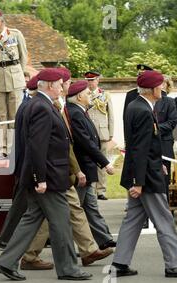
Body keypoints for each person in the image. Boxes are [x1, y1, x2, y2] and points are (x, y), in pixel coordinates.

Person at [0, 69, 92, 281]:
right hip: (48, 176)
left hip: (41, 175)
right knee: (61, 222)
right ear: (49, 86)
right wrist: (41, 178)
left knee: (31, 220)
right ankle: (68, 268)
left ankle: (6, 262)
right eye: (59, 84)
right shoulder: (42, 107)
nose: (62, 87)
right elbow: (37, 147)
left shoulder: (36, 104)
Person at [20, 75, 114, 270]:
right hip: (55, 172)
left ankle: (87, 251)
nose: (67, 86)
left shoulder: (58, 105)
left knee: (71, 211)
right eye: (66, 83)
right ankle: (35, 258)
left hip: (63, 171)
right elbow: (59, 145)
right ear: (56, 85)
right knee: (53, 215)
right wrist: (76, 170)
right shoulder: (49, 106)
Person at [112, 70, 177, 277]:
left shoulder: (137, 105)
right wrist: (138, 181)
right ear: (153, 89)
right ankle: (174, 264)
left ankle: (119, 263)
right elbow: (139, 148)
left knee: (133, 219)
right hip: (145, 177)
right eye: (160, 85)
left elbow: (146, 145)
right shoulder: (143, 110)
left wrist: (158, 162)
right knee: (164, 219)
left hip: (144, 171)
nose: (162, 89)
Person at [65, 80, 116, 250]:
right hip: (82, 168)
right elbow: (86, 143)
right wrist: (105, 162)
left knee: (90, 205)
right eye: (87, 93)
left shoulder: (81, 111)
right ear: (79, 96)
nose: (90, 96)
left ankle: (104, 238)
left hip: (87, 167)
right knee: (74, 210)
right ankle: (69, 245)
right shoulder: (76, 113)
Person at [0, 75, 38, 249]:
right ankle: (6, 238)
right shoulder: (30, 106)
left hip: (23, 161)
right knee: (21, 204)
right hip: (26, 163)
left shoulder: (25, 105)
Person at [0, 9, 28, 159]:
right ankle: (3, 150)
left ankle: (15, 148)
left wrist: (19, 75)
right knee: (1, 117)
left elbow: (23, 57)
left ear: (2, 21)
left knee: (15, 116)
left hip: (15, 79)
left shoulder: (16, 34)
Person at [84, 70, 114, 200]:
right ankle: (91, 188)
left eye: (92, 80)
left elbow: (111, 115)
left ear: (98, 80)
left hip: (102, 132)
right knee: (89, 160)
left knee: (102, 161)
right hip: (88, 133)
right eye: (88, 80)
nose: (90, 83)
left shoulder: (105, 95)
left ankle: (101, 190)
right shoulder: (83, 94)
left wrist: (111, 133)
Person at [153, 76, 177, 197]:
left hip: (165, 144)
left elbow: (172, 123)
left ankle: (164, 206)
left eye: (163, 84)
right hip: (150, 143)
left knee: (164, 178)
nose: (161, 86)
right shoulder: (150, 100)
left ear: (167, 86)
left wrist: (155, 128)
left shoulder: (170, 102)